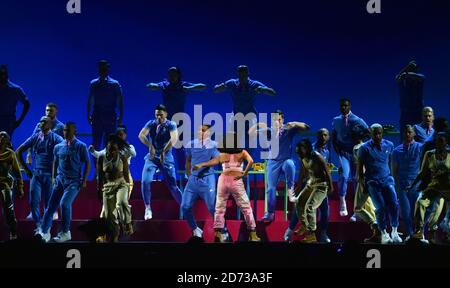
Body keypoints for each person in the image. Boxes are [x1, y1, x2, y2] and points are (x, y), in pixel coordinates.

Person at [193, 132, 260, 242]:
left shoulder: (222, 154)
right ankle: (252, 234)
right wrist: (245, 173)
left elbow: (213, 161)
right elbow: (251, 161)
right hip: (236, 180)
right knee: (246, 208)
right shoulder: (242, 152)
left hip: (223, 180)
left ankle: (218, 233)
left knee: (219, 208)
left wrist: (201, 164)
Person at [249, 110, 309, 223]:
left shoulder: (288, 129)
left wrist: (295, 123)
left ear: (283, 119)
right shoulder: (269, 131)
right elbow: (251, 134)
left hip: (285, 161)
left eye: (279, 119)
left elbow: (307, 128)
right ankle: (270, 213)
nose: (277, 122)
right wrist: (258, 125)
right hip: (272, 162)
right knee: (271, 188)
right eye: (274, 120)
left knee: (291, 164)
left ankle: (291, 190)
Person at [146, 67, 206, 178]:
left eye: (174, 75)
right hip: (166, 120)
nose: (172, 77)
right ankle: (160, 168)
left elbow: (202, 86)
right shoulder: (165, 84)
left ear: (178, 76)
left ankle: (184, 171)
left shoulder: (182, 85)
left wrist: (189, 88)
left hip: (180, 119)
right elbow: (150, 85)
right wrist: (156, 86)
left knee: (179, 146)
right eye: (170, 75)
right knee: (161, 145)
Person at [38, 122, 91, 243]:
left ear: (74, 131)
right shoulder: (58, 147)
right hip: (60, 181)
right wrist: (53, 178)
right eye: (65, 130)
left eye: (68, 130)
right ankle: (45, 232)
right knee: (50, 207)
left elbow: (87, 163)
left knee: (64, 204)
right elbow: (55, 162)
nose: (65, 132)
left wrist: (84, 179)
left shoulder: (80, 146)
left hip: (73, 182)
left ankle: (66, 232)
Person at [15, 116, 63, 233]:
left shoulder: (56, 138)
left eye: (44, 122)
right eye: (40, 121)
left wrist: (59, 171)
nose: (41, 123)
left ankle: (46, 229)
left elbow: (66, 149)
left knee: (48, 204)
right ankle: (38, 226)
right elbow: (18, 151)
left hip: (49, 175)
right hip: (36, 174)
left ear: (50, 124)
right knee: (33, 201)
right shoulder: (36, 137)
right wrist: (26, 169)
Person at [89, 125, 136, 242]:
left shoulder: (127, 149)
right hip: (108, 183)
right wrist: (93, 151)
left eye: (122, 134)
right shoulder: (107, 150)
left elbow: (133, 154)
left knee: (120, 203)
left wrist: (123, 143)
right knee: (106, 212)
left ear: (125, 135)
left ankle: (125, 225)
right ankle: (107, 235)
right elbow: (99, 155)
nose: (119, 136)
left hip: (124, 180)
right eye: (118, 134)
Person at [214, 65, 276, 154]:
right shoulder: (232, 83)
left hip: (250, 115)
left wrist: (264, 89)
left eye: (244, 74)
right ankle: (234, 160)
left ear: (248, 73)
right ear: (238, 74)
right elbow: (216, 90)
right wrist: (219, 87)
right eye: (240, 74)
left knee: (250, 138)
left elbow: (272, 93)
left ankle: (262, 132)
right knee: (233, 137)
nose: (242, 76)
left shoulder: (254, 84)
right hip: (236, 115)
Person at [284, 128, 332, 243]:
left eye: (325, 135)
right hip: (309, 182)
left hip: (320, 184)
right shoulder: (309, 149)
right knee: (300, 204)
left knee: (321, 208)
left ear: (328, 137)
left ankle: (318, 233)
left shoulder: (325, 152)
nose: (323, 138)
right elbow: (303, 169)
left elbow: (326, 170)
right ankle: (297, 228)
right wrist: (299, 184)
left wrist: (330, 185)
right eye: (321, 135)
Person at [357, 124, 402, 244]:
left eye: (379, 133)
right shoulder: (364, 148)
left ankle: (394, 231)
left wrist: (392, 178)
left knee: (394, 204)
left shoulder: (389, 145)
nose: (377, 135)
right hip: (372, 182)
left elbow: (391, 162)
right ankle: (383, 233)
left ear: (382, 133)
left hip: (387, 180)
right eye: (375, 133)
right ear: (370, 133)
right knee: (380, 207)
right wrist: (362, 186)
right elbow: (360, 168)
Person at [139, 104, 182, 220]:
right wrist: (150, 145)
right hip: (152, 156)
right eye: (157, 115)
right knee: (145, 181)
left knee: (172, 186)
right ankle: (147, 207)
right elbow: (141, 135)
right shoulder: (151, 123)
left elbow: (174, 139)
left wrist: (163, 151)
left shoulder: (171, 125)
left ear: (166, 114)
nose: (159, 117)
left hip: (166, 157)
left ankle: (184, 206)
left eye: (161, 115)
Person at [410, 132, 450, 244]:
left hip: (448, 187)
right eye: (437, 140)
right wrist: (412, 185)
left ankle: (446, 233)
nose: (438, 143)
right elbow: (422, 172)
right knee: (421, 202)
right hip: (434, 186)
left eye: (441, 140)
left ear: (446, 142)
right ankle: (418, 231)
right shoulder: (429, 154)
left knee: (440, 211)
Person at [332, 98, 369, 217]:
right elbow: (334, 134)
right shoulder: (336, 120)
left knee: (356, 179)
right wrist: (336, 148)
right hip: (343, 152)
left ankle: (356, 210)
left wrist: (360, 142)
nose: (344, 108)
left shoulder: (357, 119)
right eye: (342, 106)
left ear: (349, 106)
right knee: (343, 175)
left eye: (346, 106)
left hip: (355, 152)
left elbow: (368, 132)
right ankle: (342, 202)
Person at [182, 124, 220, 238]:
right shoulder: (191, 144)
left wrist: (202, 164)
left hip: (207, 179)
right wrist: (189, 174)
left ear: (209, 133)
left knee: (212, 207)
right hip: (193, 180)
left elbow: (217, 160)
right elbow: (188, 160)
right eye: (198, 130)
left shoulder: (214, 145)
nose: (200, 132)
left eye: (203, 130)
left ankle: (220, 230)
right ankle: (195, 228)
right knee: (185, 206)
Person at [392, 125, 422, 240]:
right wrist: (395, 185)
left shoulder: (420, 147)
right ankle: (410, 234)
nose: (408, 134)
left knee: (417, 211)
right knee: (405, 212)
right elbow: (394, 170)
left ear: (414, 133)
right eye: (406, 132)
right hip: (402, 185)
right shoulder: (397, 150)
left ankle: (418, 233)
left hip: (416, 184)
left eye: (410, 132)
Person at [87, 60, 124, 150]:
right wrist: (88, 115)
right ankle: (97, 164)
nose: (103, 70)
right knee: (96, 142)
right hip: (97, 115)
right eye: (101, 68)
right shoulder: (94, 83)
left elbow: (120, 101)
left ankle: (107, 164)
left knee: (110, 143)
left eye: (105, 68)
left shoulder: (114, 84)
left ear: (108, 69)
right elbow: (90, 100)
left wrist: (121, 116)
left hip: (110, 115)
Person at [352, 126, 378, 243]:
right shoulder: (367, 146)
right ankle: (378, 232)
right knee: (370, 206)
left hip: (363, 180)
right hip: (369, 178)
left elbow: (361, 165)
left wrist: (361, 180)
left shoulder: (358, 148)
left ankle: (375, 225)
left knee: (358, 208)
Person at [0, 131, 24, 240]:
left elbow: (17, 172)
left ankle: (13, 232)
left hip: (5, 185)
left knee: (8, 209)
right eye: (0, 135)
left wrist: (20, 187)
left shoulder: (10, 154)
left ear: (7, 140)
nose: (1, 137)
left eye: (4, 136)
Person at [396, 60, 425, 138]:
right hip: (406, 112)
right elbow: (397, 78)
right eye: (410, 67)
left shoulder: (418, 78)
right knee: (404, 134)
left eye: (413, 67)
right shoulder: (404, 80)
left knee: (419, 134)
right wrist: (406, 68)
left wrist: (406, 73)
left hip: (417, 112)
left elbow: (421, 77)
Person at [0, 65, 30, 137]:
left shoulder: (14, 89)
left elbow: (26, 103)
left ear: (5, 75)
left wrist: (19, 121)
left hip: (7, 120)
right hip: (7, 120)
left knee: (5, 142)